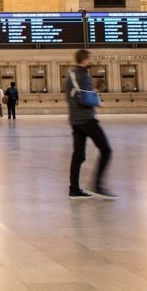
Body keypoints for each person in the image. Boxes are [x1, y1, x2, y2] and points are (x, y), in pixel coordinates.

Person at [65, 49, 117, 200]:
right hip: (87, 119)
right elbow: (88, 99)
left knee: (78, 155)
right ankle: (98, 185)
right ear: (85, 60)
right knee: (106, 150)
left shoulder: (70, 76)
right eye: (90, 59)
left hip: (75, 120)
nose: (91, 61)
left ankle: (74, 189)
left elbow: (71, 98)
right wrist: (98, 101)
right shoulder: (84, 76)